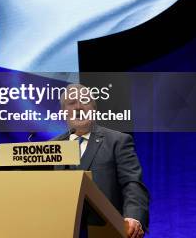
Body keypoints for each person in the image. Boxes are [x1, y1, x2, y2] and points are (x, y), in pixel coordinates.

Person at [52, 84, 149, 238]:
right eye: (71, 103)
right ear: (63, 112)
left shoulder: (118, 141)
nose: (78, 107)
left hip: (106, 231)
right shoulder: (52, 147)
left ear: (94, 108)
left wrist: (133, 216)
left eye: (84, 101)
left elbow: (132, 184)